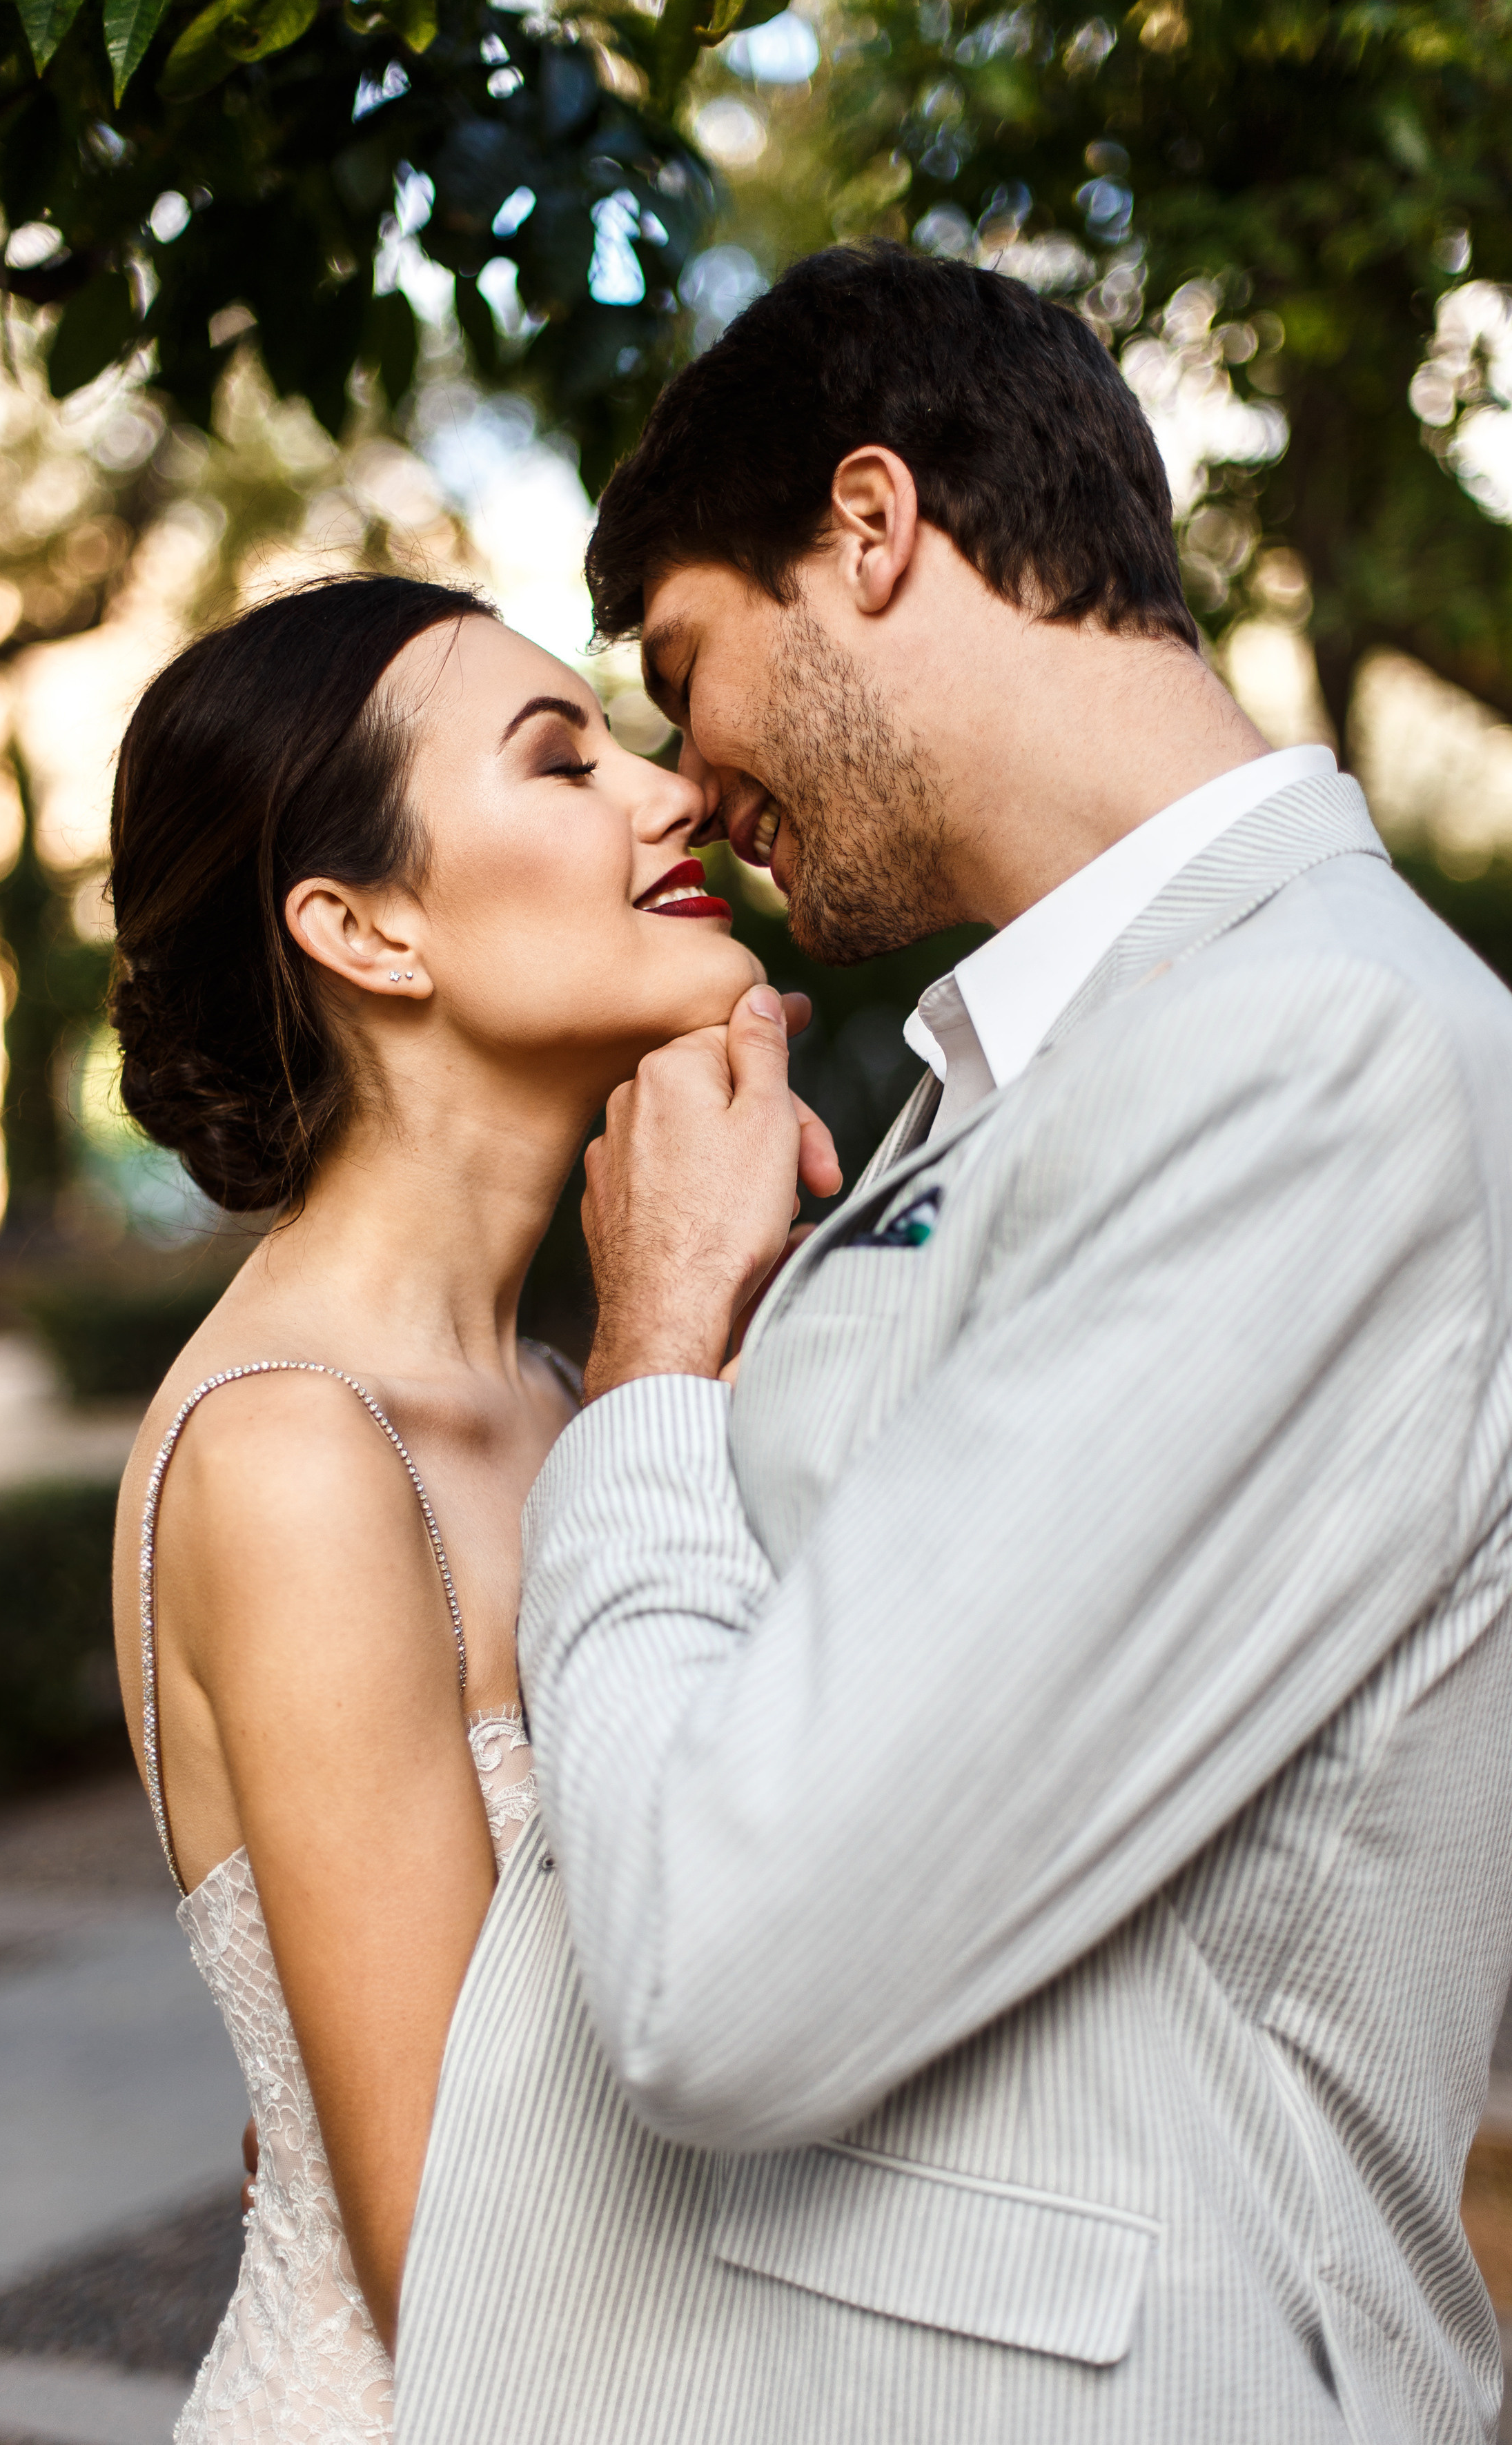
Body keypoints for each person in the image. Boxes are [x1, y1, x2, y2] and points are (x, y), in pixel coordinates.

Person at [393, 246, 1512, 2443]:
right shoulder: (1042, 1058)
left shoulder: (1312, 1056)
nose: (685, 782)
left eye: (685, 664)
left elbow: (724, 1964)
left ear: (874, 526)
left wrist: (648, 1373)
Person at [104, 573, 833, 2440]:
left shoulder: (563, 1401)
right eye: (560, 759)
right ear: (365, 928)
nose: (667, 795)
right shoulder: (291, 1454)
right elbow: (467, 2273)